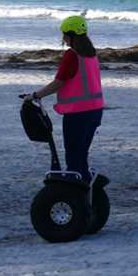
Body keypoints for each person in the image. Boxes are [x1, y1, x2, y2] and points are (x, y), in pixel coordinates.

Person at [23, 15, 104, 182]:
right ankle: (87, 192)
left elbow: (59, 82)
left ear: (71, 35)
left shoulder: (72, 55)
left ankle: (76, 199)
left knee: (74, 156)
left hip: (78, 113)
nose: (63, 38)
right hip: (95, 111)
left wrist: (35, 95)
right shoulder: (91, 54)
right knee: (81, 155)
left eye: (65, 34)